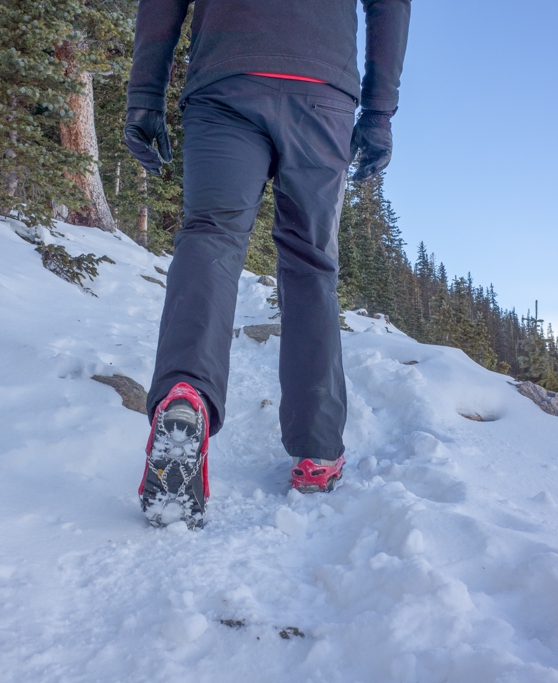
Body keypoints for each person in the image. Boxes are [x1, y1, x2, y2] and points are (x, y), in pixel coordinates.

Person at [126, 0, 411, 528]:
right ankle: (318, 451)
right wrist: (378, 111)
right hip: (322, 91)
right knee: (310, 262)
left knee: (211, 236)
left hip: (225, 80)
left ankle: (185, 397)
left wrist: (144, 96)